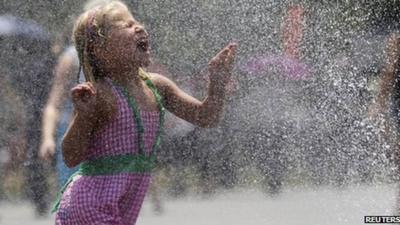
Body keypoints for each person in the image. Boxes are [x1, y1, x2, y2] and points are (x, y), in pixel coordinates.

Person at [52, 1, 237, 224]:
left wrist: (216, 85)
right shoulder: (100, 94)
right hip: (88, 207)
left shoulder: (157, 87)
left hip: (120, 210)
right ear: (99, 50)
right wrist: (84, 116)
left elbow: (206, 118)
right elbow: (71, 157)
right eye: (126, 25)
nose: (138, 27)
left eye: (136, 22)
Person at [0, 15, 55, 216]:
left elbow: (17, 94)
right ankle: (43, 197)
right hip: (43, 117)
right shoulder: (44, 64)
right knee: (41, 156)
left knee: (34, 157)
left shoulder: (20, 69)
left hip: (33, 118)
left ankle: (38, 197)